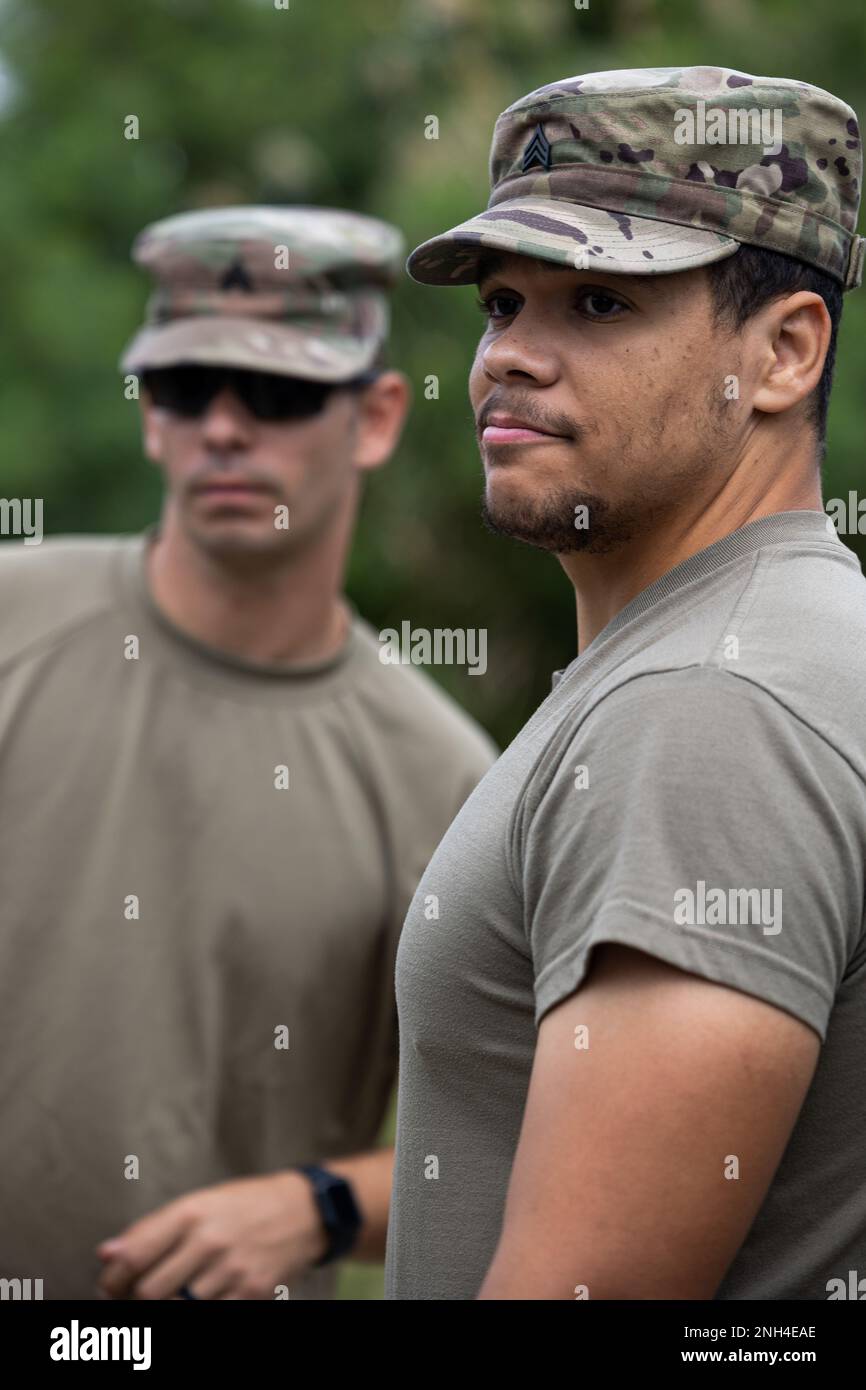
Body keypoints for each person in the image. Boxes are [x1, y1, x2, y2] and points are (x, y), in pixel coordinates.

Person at [384, 67, 866, 1300]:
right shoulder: (757, 648)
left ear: (783, 353)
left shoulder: (706, 706)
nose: (509, 357)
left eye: (598, 301)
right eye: (502, 304)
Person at [0, 205, 495, 1300]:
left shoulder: (445, 782)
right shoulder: (11, 623)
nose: (223, 428)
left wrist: (317, 1206)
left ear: (375, 418)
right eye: (185, 387)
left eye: (275, 393)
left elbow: (511, 1143)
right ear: (149, 415)